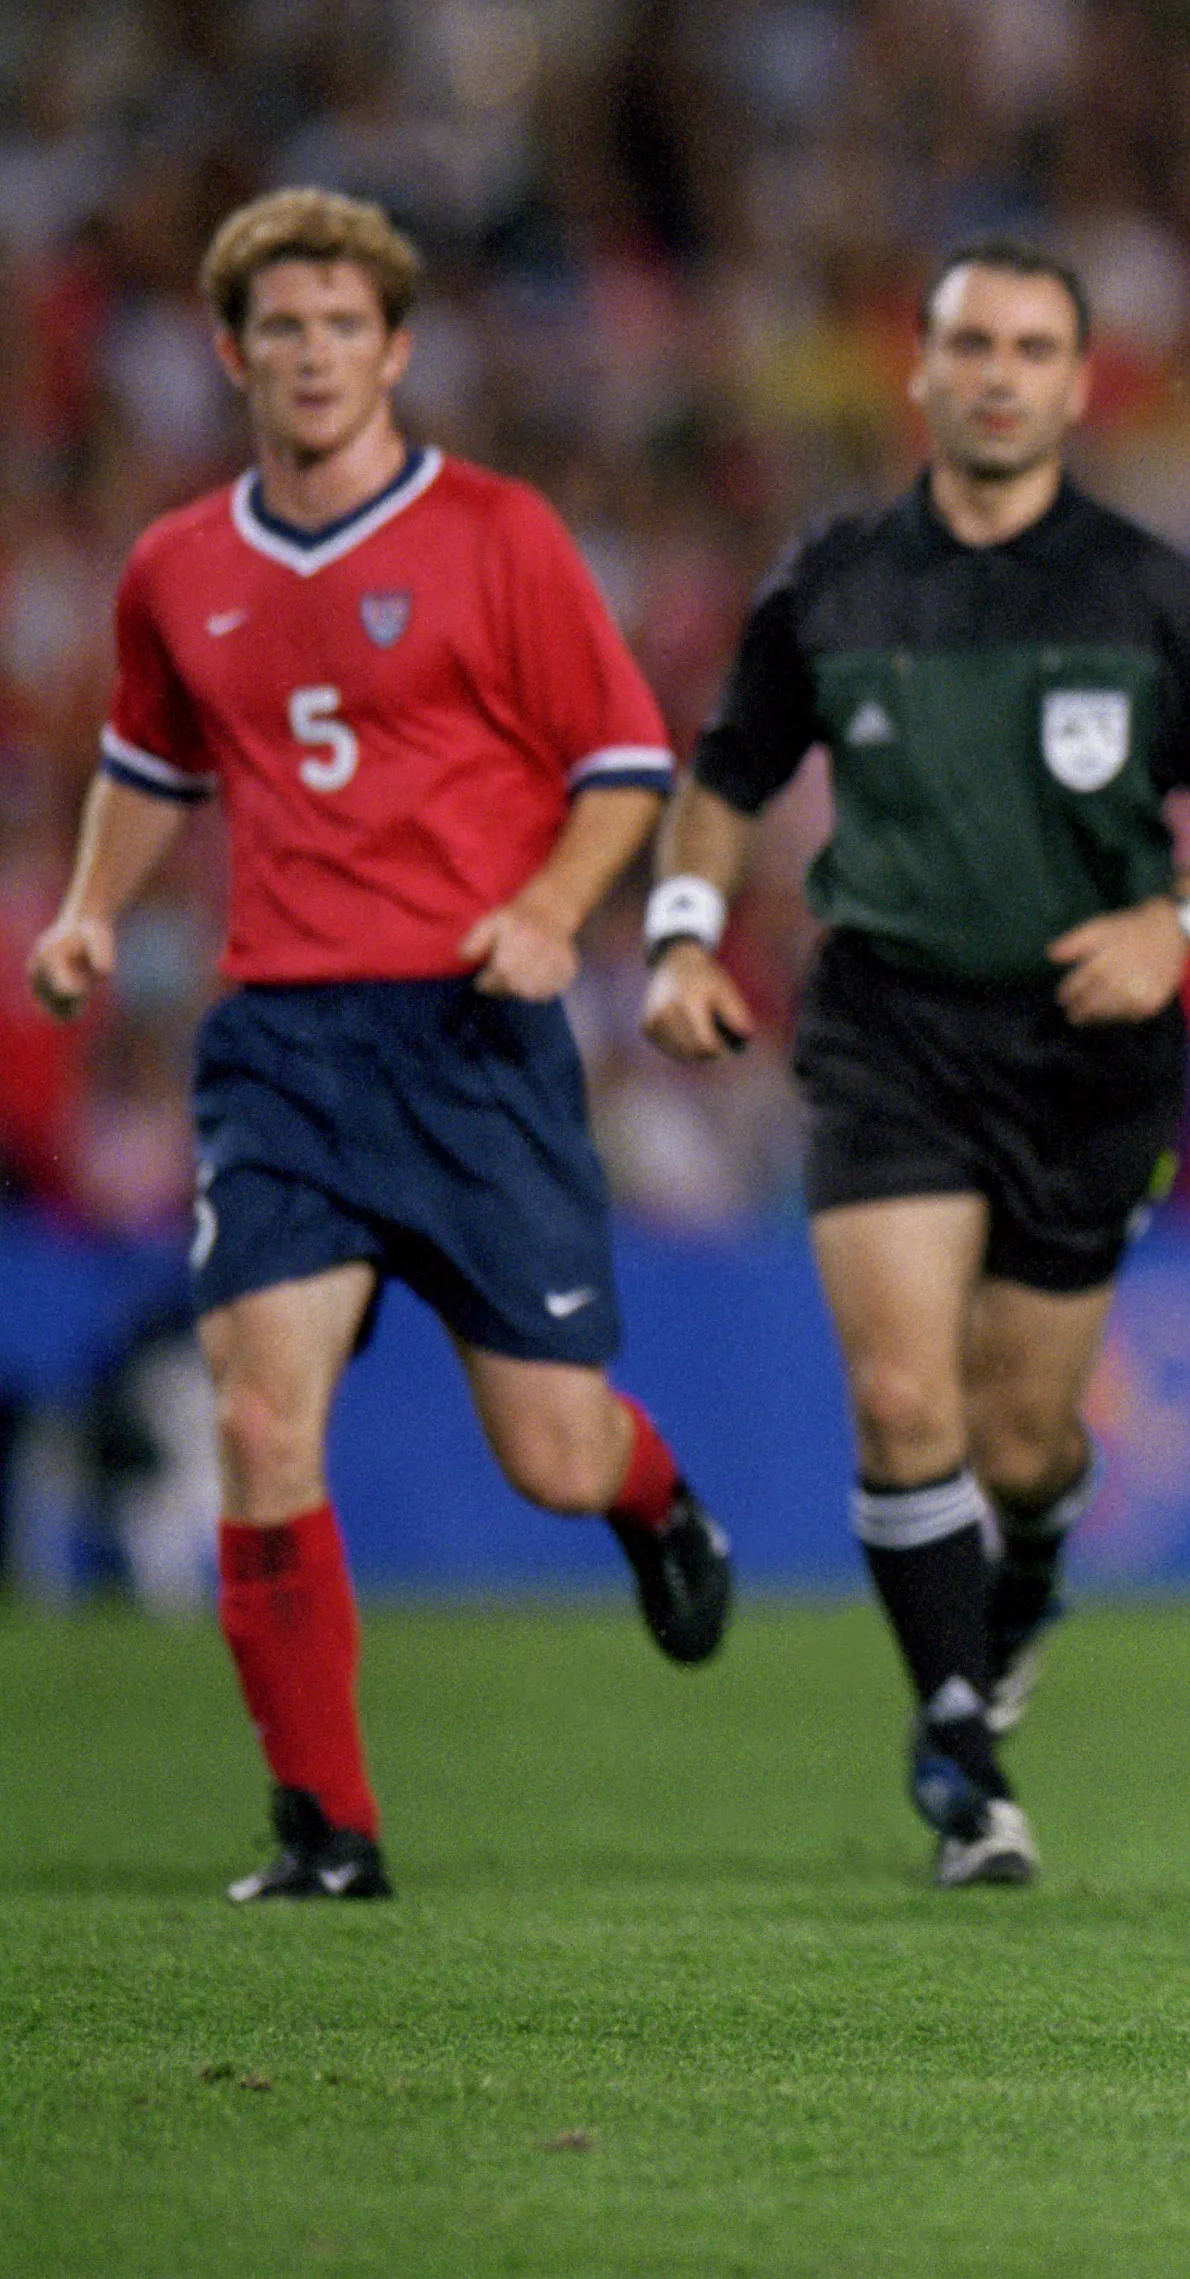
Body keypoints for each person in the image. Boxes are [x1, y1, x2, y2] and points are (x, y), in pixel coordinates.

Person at [23, 187, 731, 1905]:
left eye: (346, 325)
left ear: (398, 349)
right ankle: (325, 1827)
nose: (316, 354)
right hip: (283, 1046)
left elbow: (626, 761)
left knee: (551, 1450)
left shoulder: (497, 535)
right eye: (283, 328)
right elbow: (150, 759)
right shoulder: (178, 566)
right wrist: (92, 907)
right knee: (263, 1424)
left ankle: (654, 1500)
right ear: (231, 354)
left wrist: (559, 911)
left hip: (476, 1038)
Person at [641, 240, 1190, 1887]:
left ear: (1080, 385)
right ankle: (960, 1738)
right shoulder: (835, 582)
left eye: (1031, 347)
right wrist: (676, 931)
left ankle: (1013, 1600)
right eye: (969, 345)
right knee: (897, 1392)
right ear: (923, 372)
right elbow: (724, 775)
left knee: (1025, 1444)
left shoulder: (1156, 594)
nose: (999, 372)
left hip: (1086, 1045)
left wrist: (1178, 921)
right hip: (886, 1025)